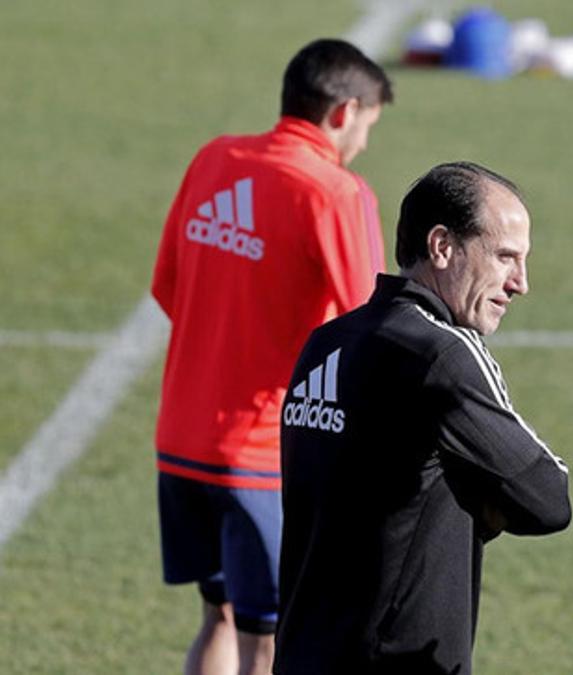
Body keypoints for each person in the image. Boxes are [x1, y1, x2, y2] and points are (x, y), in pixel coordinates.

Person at [150, 38, 392, 675]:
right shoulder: (336, 192)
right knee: (272, 643)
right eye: (368, 125)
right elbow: (375, 329)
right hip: (261, 457)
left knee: (220, 616)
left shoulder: (214, 159)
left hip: (181, 438)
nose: (364, 143)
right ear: (343, 113)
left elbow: (167, 287)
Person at [273, 162, 572, 675]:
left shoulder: (327, 343)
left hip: (303, 654)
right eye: (505, 257)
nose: (520, 282)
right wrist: (483, 499)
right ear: (441, 246)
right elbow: (548, 498)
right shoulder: (443, 353)